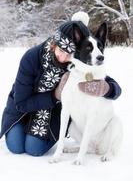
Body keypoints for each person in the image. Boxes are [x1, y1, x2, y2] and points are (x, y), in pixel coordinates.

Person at [0, 12, 121, 156]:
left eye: (69, 54)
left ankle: (39, 135)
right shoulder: (32, 57)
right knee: (16, 146)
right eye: (61, 50)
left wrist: (109, 89)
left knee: (34, 149)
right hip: (22, 110)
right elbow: (21, 103)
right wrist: (55, 95)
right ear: (54, 44)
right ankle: (24, 128)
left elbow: (107, 80)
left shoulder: (76, 63)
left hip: (51, 113)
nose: (64, 58)